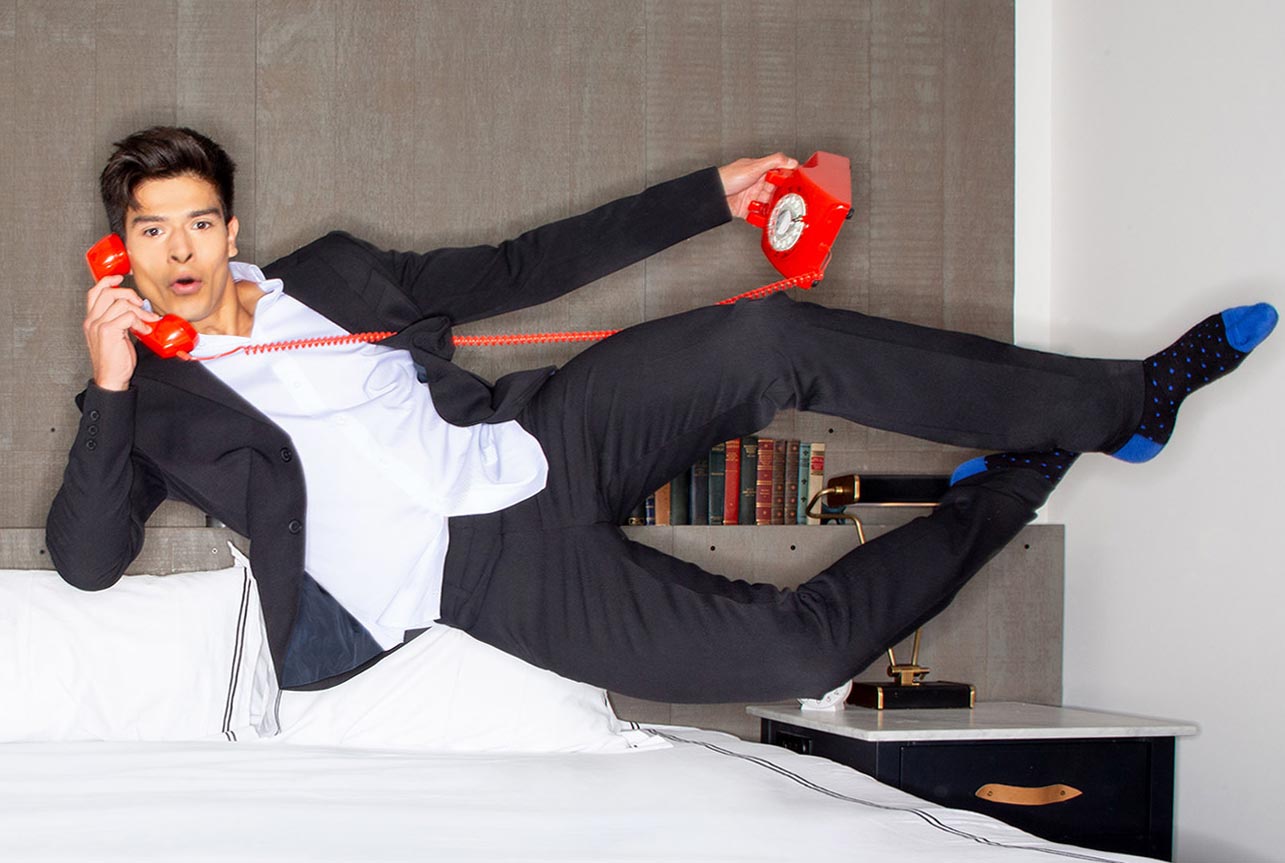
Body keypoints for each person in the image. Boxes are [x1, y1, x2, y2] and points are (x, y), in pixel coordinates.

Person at [47, 126, 1277, 702]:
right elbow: (88, 563)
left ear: (232, 226)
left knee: (766, 335)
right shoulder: (149, 403)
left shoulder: (337, 275)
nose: (181, 250)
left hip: (539, 442)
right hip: (476, 584)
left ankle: (1121, 401)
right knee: (798, 656)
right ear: (126, 248)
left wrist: (714, 195)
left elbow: (525, 263)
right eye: (152, 230)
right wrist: (110, 392)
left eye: (199, 221)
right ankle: (1009, 485)